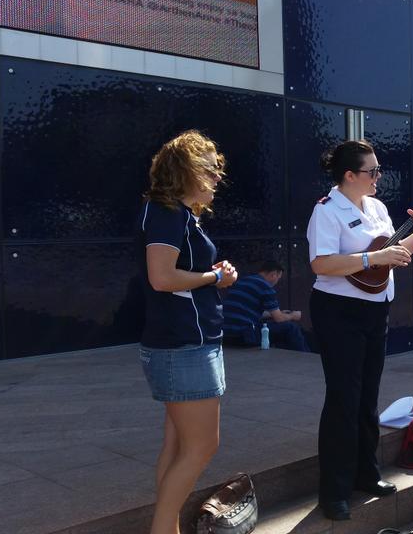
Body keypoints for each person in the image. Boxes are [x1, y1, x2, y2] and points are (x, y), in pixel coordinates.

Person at [306, 139, 413, 521]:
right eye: (372, 171)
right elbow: (321, 264)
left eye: (378, 170)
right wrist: (371, 256)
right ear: (349, 175)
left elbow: (391, 257)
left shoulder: (376, 207)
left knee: (367, 397)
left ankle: (366, 474)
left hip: (374, 310)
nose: (379, 177)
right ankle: (334, 491)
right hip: (339, 312)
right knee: (344, 398)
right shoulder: (327, 211)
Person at [138, 130, 238, 534]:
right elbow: (161, 278)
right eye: (211, 169)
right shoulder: (167, 212)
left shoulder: (176, 213)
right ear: (188, 169)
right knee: (201, 446)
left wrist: (212, 277)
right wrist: (215, 276)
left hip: (180, 344)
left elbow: (170, 277)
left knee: (178, 445)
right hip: (184, 346)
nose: (217, 177)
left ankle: (168, 528)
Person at [222, 260, 309, 352]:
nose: (277, 282)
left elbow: (246, 312)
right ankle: (306, 357)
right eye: (278, 278)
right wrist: (294, 315)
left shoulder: (243, 281)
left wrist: (272, 314)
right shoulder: (265, 286)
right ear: (273, 274)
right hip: (244, 336)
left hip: (226, 335)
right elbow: (279, 319)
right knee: (291, 328)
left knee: (272, 327)